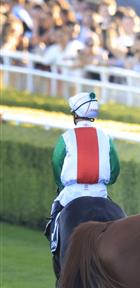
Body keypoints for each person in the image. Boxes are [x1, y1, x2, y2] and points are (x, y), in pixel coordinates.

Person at [47, 91, 120, 246]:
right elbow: (115, 166)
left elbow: (55, 163)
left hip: (72, 193)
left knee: (55, 211)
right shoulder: (106, 137)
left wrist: (61, 185)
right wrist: (109, 180)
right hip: (99, 192)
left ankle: (54, 242)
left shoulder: (66, 137)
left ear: (75, 115)